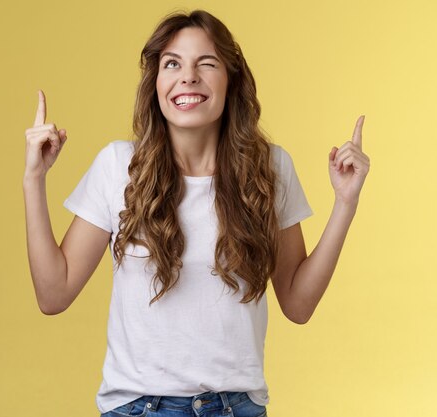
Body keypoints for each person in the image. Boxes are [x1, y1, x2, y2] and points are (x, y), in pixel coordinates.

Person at [23, 9, 370, 417]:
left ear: (231, 81)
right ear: (156, 84)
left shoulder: (270, 169)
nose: (188, 77)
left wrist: (345, 203)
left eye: (206, 64)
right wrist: (34, 180)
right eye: (172, 64)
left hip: (237, 407)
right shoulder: (117, 166)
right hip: (139, 407)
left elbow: (298, 304)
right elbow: (53, 293)